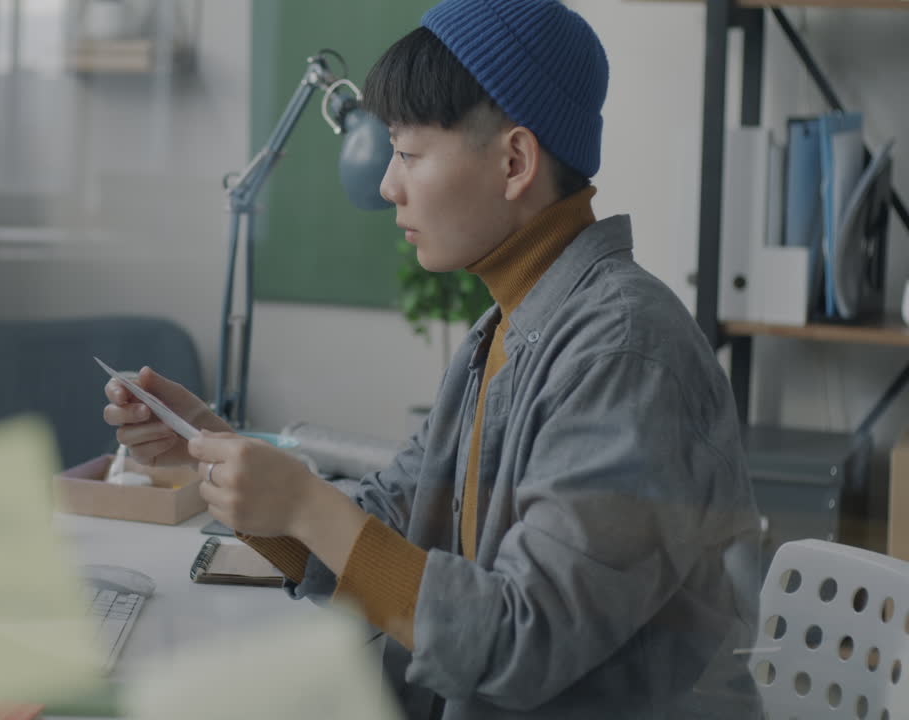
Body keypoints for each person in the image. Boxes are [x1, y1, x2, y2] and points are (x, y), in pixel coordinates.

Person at [104, 1, 762, 717]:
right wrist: (212, 447)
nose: (388, 185)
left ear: (514, 161)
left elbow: (523, 642)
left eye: (409, 153)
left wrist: (302, 502)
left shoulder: (625, 355)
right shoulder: (508, 329)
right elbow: (393, 521)